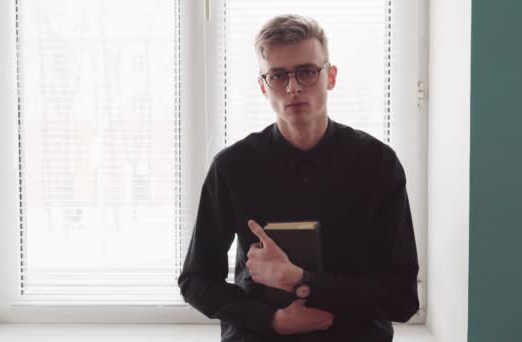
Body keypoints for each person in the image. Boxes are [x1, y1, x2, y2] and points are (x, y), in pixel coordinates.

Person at [178, 14, 419, 342]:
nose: (293, 87)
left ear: (330, 77)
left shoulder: (377, 164)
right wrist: (272, 320)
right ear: (263, 86)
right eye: (278, 76)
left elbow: (402, 298)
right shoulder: (232, 167)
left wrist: (299, 280)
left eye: (307, 72)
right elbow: (196, 280)